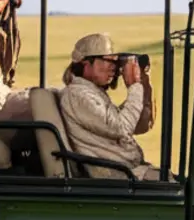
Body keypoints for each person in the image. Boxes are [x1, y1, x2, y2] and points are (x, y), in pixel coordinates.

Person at [58, 33, 158, 181]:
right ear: (86, 63)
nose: (114, 67)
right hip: (116, 175)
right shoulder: (78, 95)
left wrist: (143, 81)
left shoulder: (91, 92)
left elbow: (138, 124)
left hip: (124, 170)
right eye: (107, 61)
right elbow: (122, 128)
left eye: (116, 62)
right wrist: (134, 87)